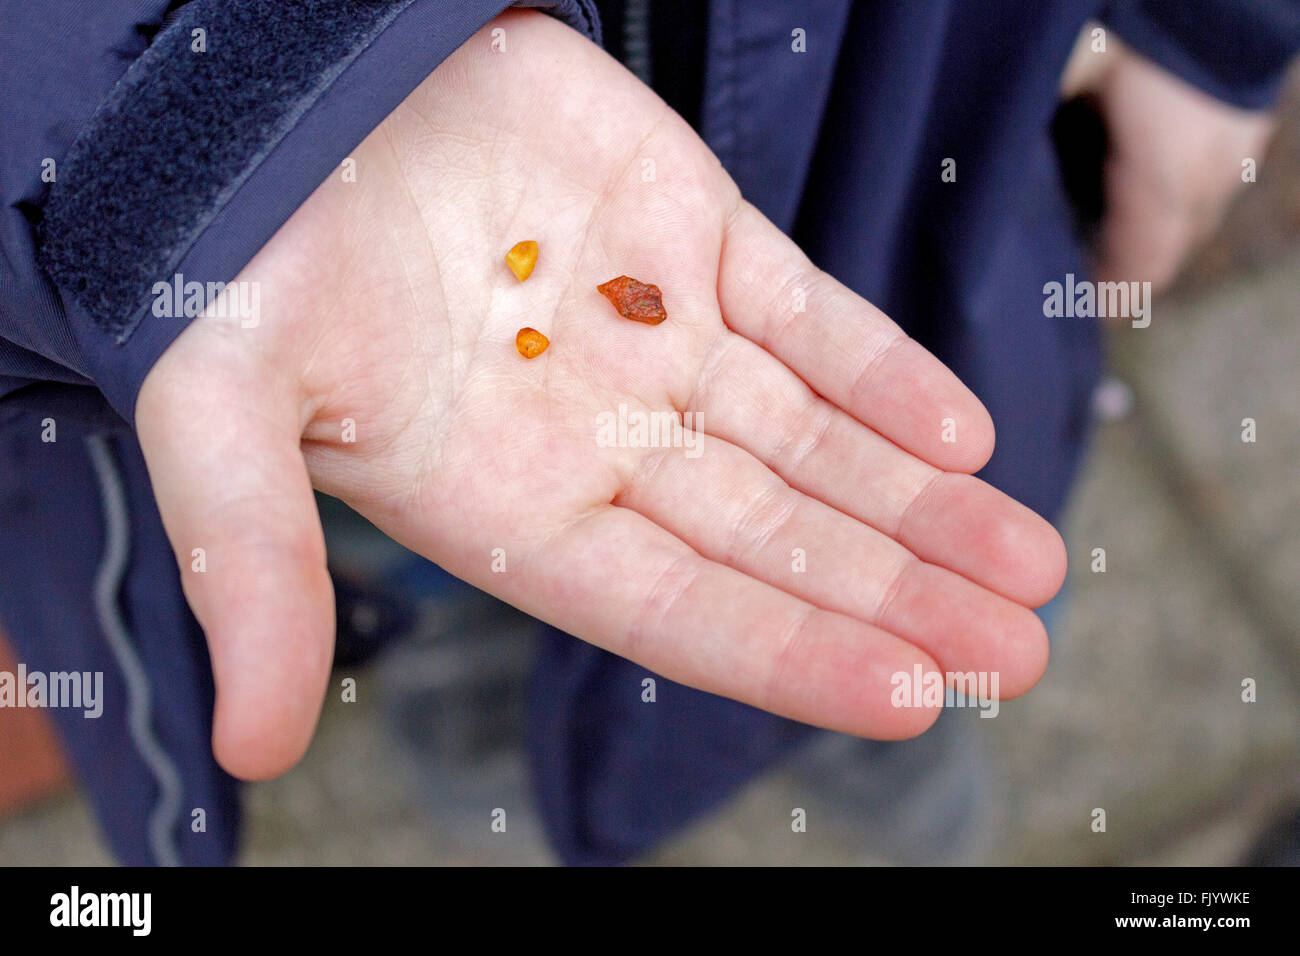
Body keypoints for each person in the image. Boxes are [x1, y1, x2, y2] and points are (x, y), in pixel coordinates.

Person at [0, 0, 1293, 865]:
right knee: (430, 556)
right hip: (368, 354)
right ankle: (490, 733)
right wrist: (180, 128)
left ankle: (895, 777)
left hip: (898, 171)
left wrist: (1209, 27)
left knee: (913, 590)